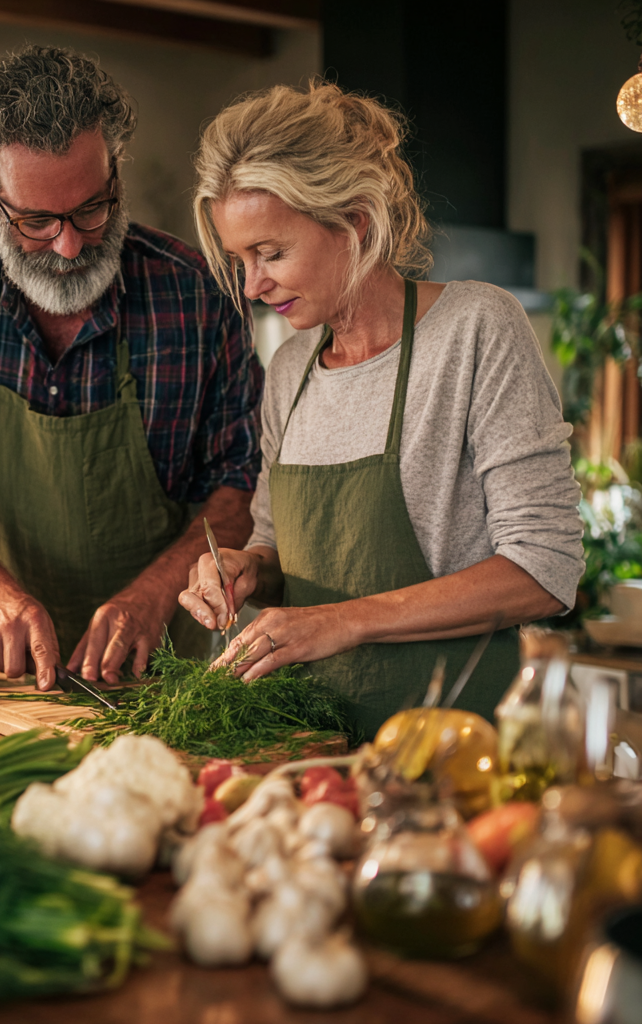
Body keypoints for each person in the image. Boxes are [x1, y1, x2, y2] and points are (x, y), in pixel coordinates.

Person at [0, 46, 262, 690]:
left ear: (114, 173)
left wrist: (153, 594)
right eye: (37, 221)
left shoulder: (198, 293)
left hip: (166, 683)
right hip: (2, 681)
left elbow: (238, 490)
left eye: (92, 209)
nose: (69, 245)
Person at [178, 81, 585, 735]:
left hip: (456, 745)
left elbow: (544, 567)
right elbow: (275, 542)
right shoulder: (291, 369)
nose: (253, 286)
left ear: (354, 224)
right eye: (240, 260)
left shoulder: (475, 329)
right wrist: (246, 568)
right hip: (312, 742)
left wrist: (341, 621)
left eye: (271, 253)